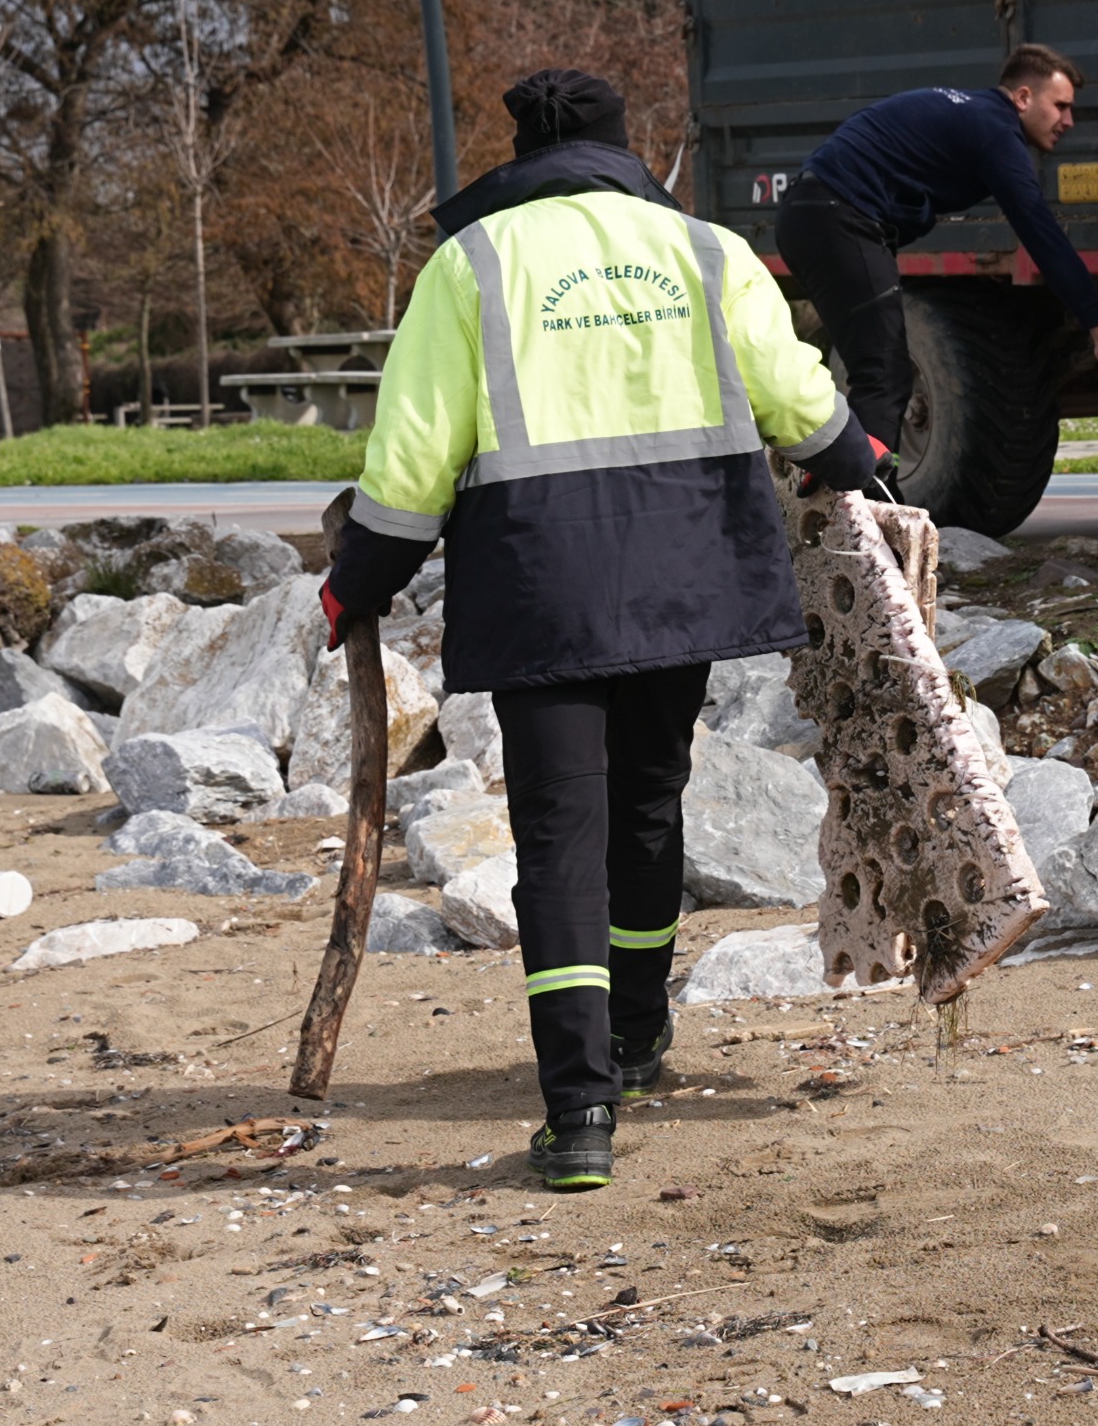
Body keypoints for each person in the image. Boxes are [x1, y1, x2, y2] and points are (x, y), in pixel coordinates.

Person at [320, 67, 884, 1192]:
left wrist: (358, 580)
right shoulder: (708, 251)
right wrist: (857, 462)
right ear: (633, 150)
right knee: (646, 805)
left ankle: (578, 1110)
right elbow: (799, 400)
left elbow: (415, 455)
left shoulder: (470, 264)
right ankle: (638, 1038)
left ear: (519, 153)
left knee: (558, 838)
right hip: (687, 578)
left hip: (543, 586)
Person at [772, 42, 1098, 488]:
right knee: (884, 374)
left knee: (877, 368)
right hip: (835, 217)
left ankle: (839, 486)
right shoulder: (993, 127)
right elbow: (1041, 235)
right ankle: (863, 509)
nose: (1068, 120)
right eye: (1060, 106)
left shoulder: (974, 114)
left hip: (817, 214)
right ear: (1023, 97)